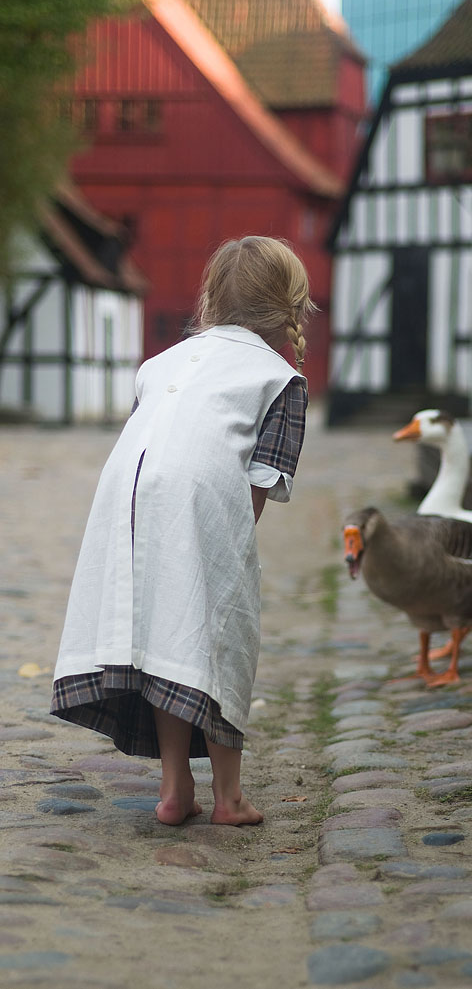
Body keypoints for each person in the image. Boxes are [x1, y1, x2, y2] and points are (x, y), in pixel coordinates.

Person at [51, 236, 313, 827]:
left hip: (124, 491)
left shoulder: (161, 362)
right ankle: (230, 797)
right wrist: (225, 563)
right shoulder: (279, 378)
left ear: (211, 298)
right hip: (197, 492)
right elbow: (252, 495)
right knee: (216, 629)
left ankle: (174, 791)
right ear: (289, 304)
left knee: (165, 633)